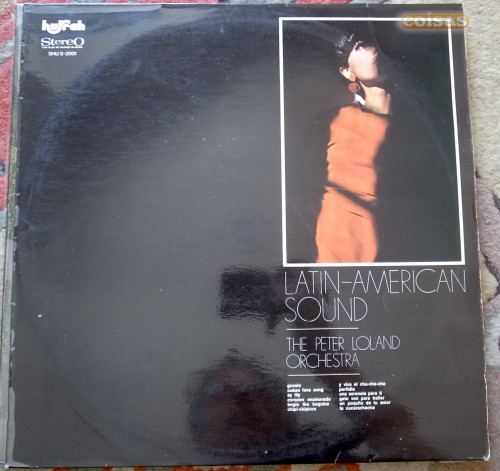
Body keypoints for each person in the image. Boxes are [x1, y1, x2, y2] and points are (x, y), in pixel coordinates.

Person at [315, 27, 460, 263]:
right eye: (362, 46)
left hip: (410, 244)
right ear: (346, 71)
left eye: (380, 44)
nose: (375, 50)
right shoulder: (329, 122)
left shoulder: (430, 123)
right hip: (343, 242)